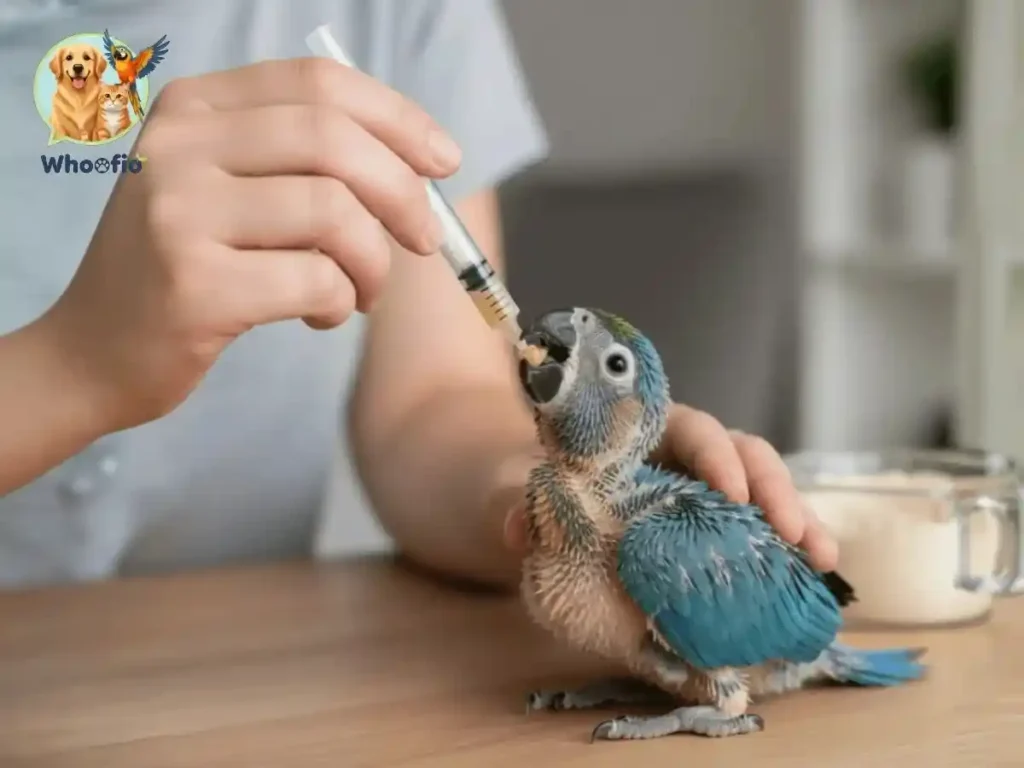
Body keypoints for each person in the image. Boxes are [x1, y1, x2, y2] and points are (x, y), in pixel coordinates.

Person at [0, 0, 836, 588]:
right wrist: (76, 366)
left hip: (238, 680)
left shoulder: (402, 12)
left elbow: (432, 401)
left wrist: (548, 494)